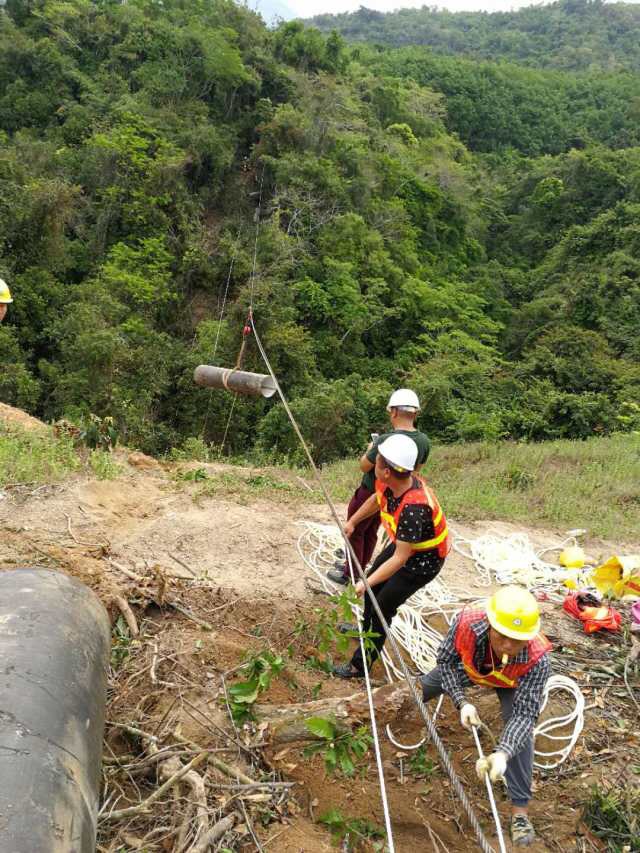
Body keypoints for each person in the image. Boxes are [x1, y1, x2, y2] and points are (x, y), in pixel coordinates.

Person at [420, 586, 552, 848]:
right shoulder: (467, 623)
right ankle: (374, 716)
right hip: (468, 670)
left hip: (510, 683)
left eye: (517, 640)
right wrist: (462, 702)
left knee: (521, 737)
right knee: (417, 691)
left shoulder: (537, 659)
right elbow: (445, 662)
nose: (508, 645)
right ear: (490, 623)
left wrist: (503, 752)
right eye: (502, 636)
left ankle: (520, 812)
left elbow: (525, 714)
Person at [332, 433, 449, 679]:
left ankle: (359, 666)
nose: (373, 463)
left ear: (386, 471)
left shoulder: (414, 508)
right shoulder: (395, 482)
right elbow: (377, 499)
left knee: (382, 606)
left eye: (378, 461)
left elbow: (400, 560)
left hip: (421, 562)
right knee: (372, 592)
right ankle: (364, 628)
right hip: (404, 548)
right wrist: (353, 521)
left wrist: (365, 582)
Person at [327, 388, 430, 585]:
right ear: (415, 413)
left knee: (356, 530)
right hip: (394, 496)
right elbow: (415, 471)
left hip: (370, 492)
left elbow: (364, 465)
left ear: (393, 412)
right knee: (371, 531)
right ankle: (358, 567)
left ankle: (350, 575)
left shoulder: (385, 440)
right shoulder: (424, 441)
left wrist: (370, 450)